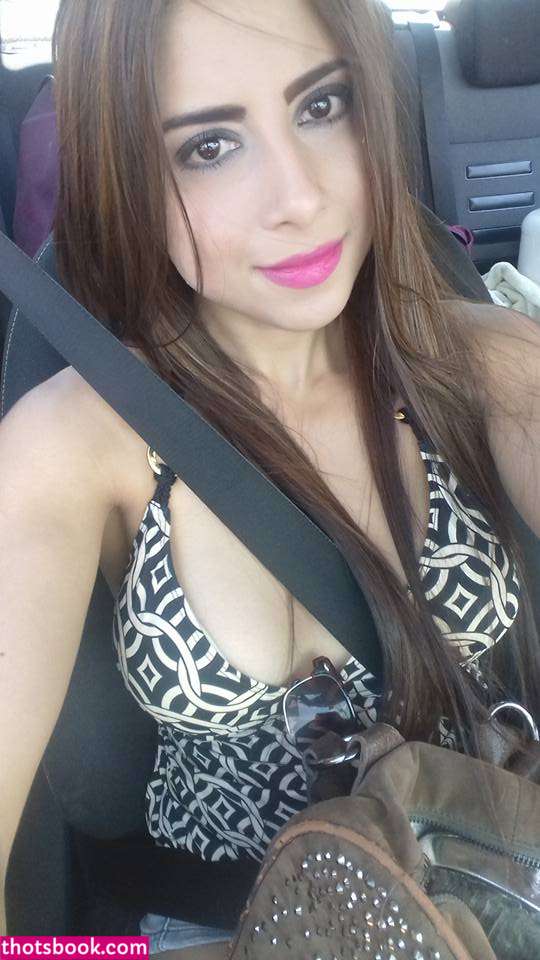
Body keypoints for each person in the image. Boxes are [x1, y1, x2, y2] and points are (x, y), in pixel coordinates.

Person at [1, 0, 539, 957]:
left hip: (487, 901)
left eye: (322, 105)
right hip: (213, 925)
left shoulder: (489, 368)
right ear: (128, 177)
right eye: (208, 147)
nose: (299, 197)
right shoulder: (74, 441)